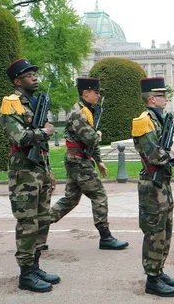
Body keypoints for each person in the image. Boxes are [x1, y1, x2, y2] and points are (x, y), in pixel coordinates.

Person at [0, 58, 59, 292]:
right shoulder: (11, 104)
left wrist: (49, 171)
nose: (34, 77)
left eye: (35, 74)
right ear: (17, 80)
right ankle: (25, 274)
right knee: (27, 222)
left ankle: (34, 266)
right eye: (28, 75)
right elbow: (19, 138)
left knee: (42, 219)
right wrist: (44, 131)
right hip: (23, 172)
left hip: (39, 169)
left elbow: (40, 146)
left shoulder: (35, 103)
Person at [49, 77, 128, 250]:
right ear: (86, 92)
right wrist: (98, 134)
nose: (98, 96)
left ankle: (39, 227)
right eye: (96, 92)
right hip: (79, 162)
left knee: (70, 200)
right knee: (99, 196)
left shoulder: (86, 111)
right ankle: (105, 237)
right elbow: (91, 138)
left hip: (78, 160)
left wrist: (98, 161)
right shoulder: (78, 113)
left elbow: (90, 143)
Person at [132, 77, 174, 297]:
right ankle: (152, 278)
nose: (166, 98)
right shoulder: (143, 122)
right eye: (162, 95)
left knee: (166, 228)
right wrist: (171, 154)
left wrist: (169, 155)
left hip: (162, 182)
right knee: (154, 231)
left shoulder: (159, 119)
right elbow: (154, 155)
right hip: (152, 184)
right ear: (152, 98)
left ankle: (159, 270)